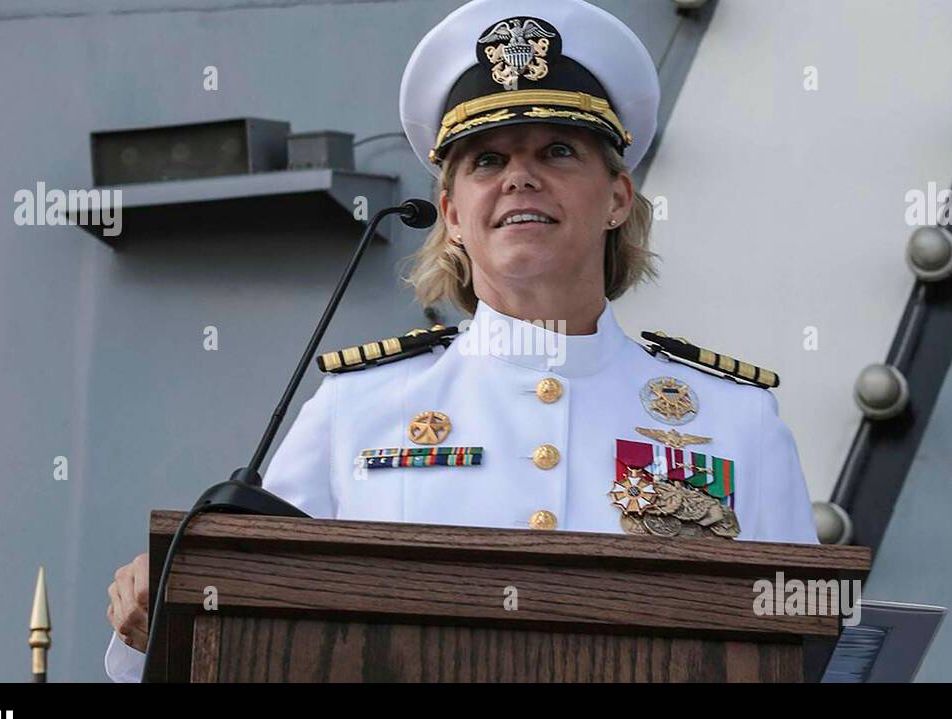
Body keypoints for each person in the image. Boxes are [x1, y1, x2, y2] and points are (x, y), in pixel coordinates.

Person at [105, 0, 818, 683]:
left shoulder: (735, 421)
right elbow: (235, 614)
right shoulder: (360, 407)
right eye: (485, 161)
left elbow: (812, 640)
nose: (520, 178)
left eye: (559, 150)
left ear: (617, 199)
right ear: (450, 213)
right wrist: (161, 595)